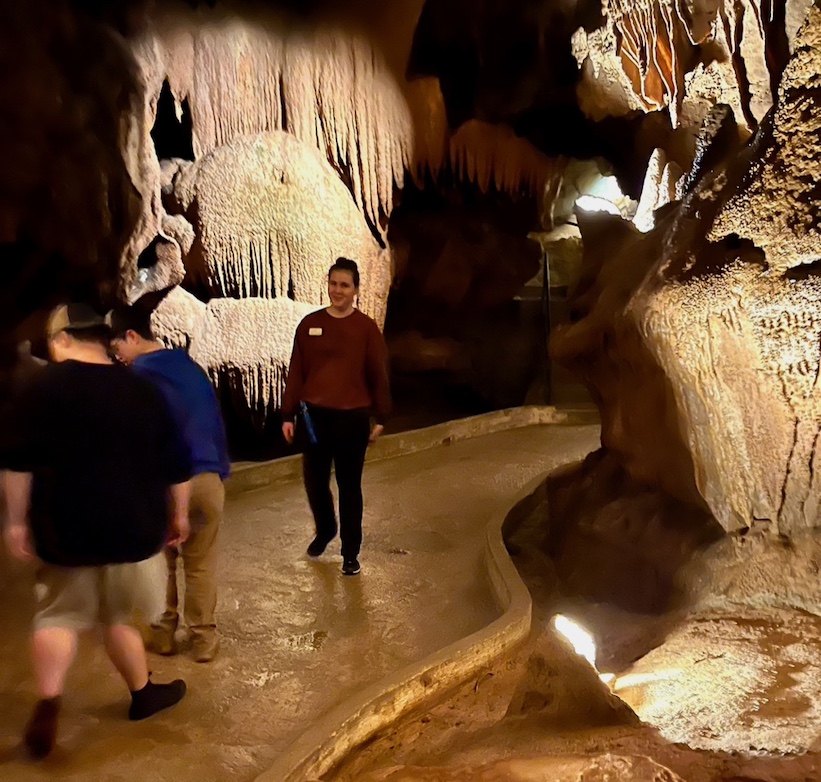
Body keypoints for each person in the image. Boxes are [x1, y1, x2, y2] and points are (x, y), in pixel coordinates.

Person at [2, 303, 192, 759]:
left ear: (63, 339)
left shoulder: (39, 389)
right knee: (117, 616)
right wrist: (179, 515)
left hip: (69, 532)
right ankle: (143, 693)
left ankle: (49, 704)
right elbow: (177, 465)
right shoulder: (143, 390)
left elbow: (16, 464)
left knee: (59, 617)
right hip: (134, 533)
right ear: (103, 339)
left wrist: (15, 521)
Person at [109, 304, 230, 663]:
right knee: (200, 563)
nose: (119, 359)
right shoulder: (189, 367)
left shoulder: (138, 377)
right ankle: (204, 640)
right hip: (208, 478)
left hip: (167, 481)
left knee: (165, 562)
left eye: (118, 350)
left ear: (132, 337)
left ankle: (163, 633)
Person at [281, 257, 391, 576]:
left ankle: (350, 552)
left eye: (344, 285)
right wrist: (287, 413)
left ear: (355, 289)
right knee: (314, 481)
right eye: (333, 284)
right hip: (314, 416)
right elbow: (297, 370)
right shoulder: (309, 324)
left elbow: (377, 373)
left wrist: (381, 415)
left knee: (349, 485)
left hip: (352, 418)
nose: (338, 290)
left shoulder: (365, 328)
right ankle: (326, 527)